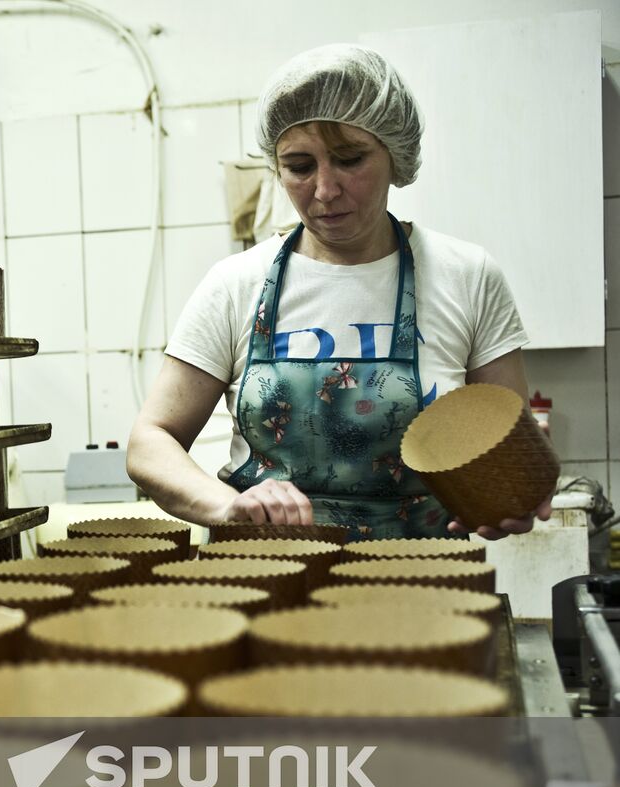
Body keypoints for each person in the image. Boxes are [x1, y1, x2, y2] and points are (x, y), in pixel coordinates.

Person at [126, 43, 549, 541]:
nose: (325, 190)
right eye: (300, 166)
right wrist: (228, 506)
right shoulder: (236, 284)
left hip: (424, 594)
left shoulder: (467, 276)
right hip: (265, 582)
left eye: (349, 159)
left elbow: (507, 448)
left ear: (395, 155)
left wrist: (513, 495)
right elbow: (150, 442)